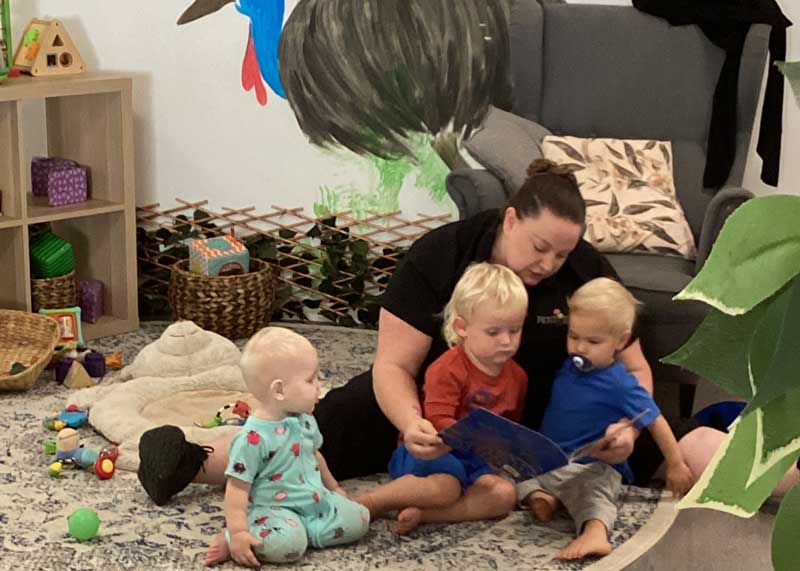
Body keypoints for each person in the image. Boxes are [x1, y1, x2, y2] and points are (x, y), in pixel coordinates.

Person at [136, 159, 709, 512]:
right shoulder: (441, 254)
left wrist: (628, 427)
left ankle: (773, 474)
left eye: (562, 252)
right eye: (539, 248)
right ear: (510, 219)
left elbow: (634, 369)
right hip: (437, 405)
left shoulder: (581, 269)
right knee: (317, 427)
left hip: (548, 415)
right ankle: (193, 457)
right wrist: (412, 423)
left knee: (683, 440)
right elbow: (393, 366)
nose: (550, 264)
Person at [516, 278, 693, 561]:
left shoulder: (619, 383)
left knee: (593, 493)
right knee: (515, 473)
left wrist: (675, 463)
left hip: (594, 466)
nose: (580, 348)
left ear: (620, 341)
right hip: (556, 461)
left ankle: (595, 533)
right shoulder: (569, 367)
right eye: (573, 336)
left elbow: (654, 418)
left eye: (593, 341)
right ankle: (547, 497)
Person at [355, 262, 528, 533]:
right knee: (447, 486)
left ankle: (425, 515)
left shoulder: (517, 376)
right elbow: (438, 419)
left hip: (474, 458)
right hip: (429, 453)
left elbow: (508, 424)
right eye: (493, 332)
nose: (506, 341)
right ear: (462, 328)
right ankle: (370, 503)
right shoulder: (448, 367)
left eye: (515, 330)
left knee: (504, 494)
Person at [203, 327, 369, 567]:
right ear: (279, 390)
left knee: (360, 517)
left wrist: (334, 489)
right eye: (311, 379)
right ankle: (233, 540)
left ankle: (306, 532)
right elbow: (237, 488)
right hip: (274, 511)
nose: (319, 386)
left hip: (314, 501)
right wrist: (237, 532)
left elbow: (315, 456)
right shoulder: (253, 438)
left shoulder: (305, 420)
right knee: (287, 547)